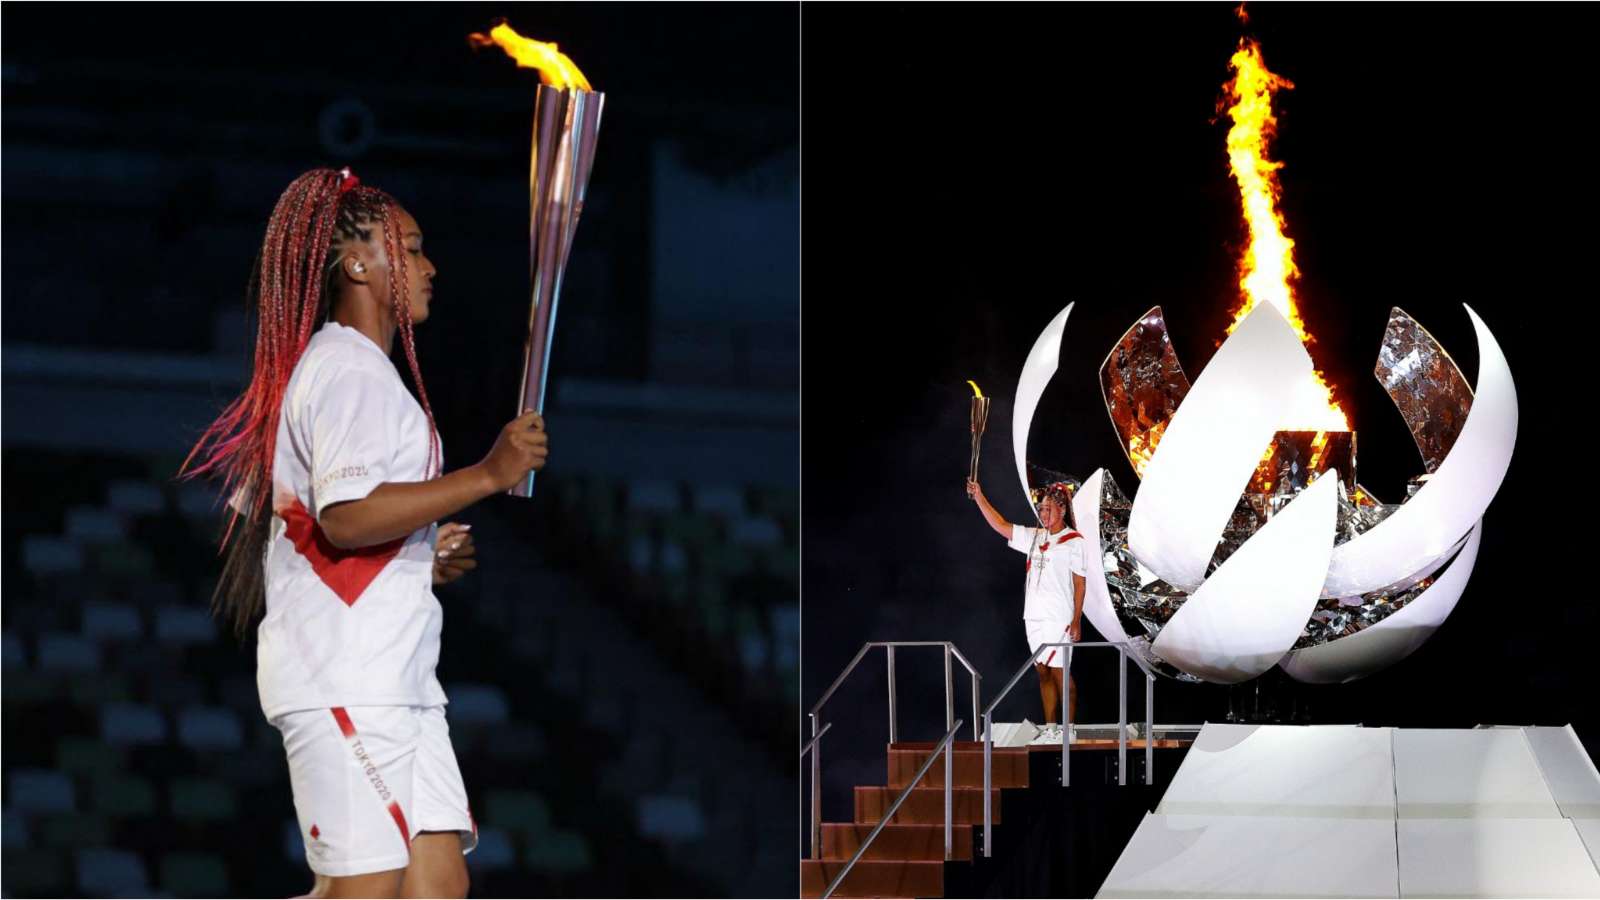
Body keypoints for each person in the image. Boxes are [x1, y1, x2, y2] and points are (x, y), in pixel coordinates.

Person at [178, 167, 548, 898]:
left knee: (436, 887)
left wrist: (415, 559)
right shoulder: (346, 371)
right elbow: (345, 519)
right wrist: (487, 473)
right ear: (359, 263)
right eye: (409, 249)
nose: (427, 265)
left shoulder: (353, 373)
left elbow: (315, 522)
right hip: (346, 673)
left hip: (396, 677)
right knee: (363, 891)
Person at [968, 478, 1087, 739]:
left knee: (1060, 672)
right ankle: (1051, 729)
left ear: (1062, 510)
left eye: (1048, 509)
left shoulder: (1074, 541)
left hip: (1059, 617)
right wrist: (979, 496)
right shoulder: (1034, 537)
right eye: (1041, 510)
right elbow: (1000, 525)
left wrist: (1076, 619)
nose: (1043, 514)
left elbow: (1080, 584)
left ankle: (1070, 730)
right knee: (1042, 670)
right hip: (1033, 617)